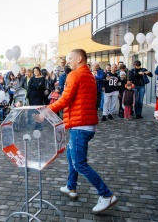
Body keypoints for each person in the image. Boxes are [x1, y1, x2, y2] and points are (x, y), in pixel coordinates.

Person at [47, 49, 117, 214]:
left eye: (70, 58)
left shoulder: (75, 74)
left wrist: (46, 111)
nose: (68, 62)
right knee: (71, 157)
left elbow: (65, 99)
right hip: (85, 124)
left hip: (80, 126)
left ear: (79, 58)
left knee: (79, 163)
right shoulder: (89, 76)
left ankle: (106, 195)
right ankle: (71, 186)